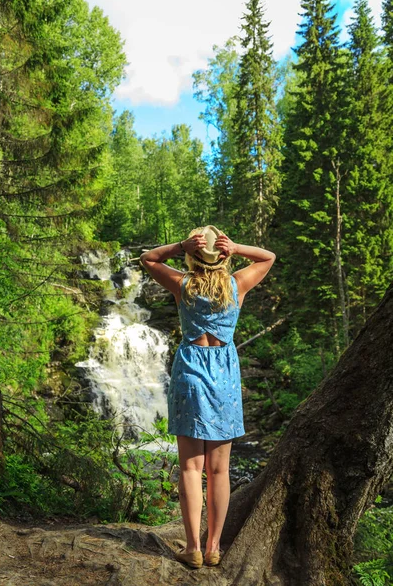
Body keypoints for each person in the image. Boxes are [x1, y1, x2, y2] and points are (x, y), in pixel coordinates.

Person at [140, 226, 276, 569]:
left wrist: (179, 246)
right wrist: (238, 247)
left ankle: (192, 547)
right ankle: (214, 546)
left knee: (190, 466)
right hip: (224, 378)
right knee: (219, 470)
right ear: (224, 255)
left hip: (190, 373)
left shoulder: (182, 284)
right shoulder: (236, 285)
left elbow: (148, 259)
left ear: (193, 254)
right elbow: (268, 257)